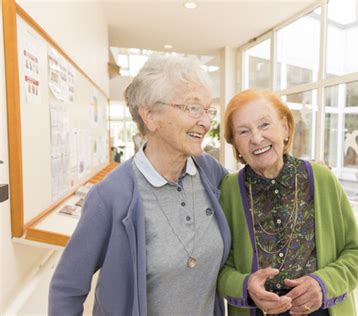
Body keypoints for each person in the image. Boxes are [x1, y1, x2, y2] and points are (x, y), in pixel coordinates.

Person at [49, 55, 231, 315]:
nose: (205, 121)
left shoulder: (210, 172)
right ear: (150, 116)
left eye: (208, 110)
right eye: (193, 108)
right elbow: (67, 287)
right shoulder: (110, 195)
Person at [217, 90, 358, 315]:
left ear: (285, 128)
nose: (257, 138)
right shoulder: (228, 190)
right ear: (236, 146)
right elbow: (219, 269)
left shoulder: (322, 179)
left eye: (264, 125)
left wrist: (323, 284)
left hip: (321, 309)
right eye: (243, 131)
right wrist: (246, 287)